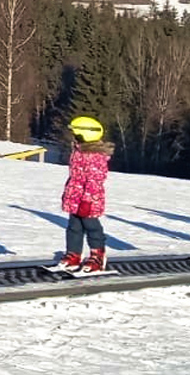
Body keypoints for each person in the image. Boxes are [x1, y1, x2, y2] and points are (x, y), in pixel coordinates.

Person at [56, 116, 114, 273]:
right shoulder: (78, 151)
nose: (73, 137)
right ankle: (73, 255)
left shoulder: (95, 157)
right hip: (76, 198)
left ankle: (98, 256)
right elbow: (75, 177)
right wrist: (68, 194)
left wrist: (87, 201)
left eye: (76, 134)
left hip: (89, 200)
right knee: (73, 227)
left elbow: (94, 181)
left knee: (92, 227)